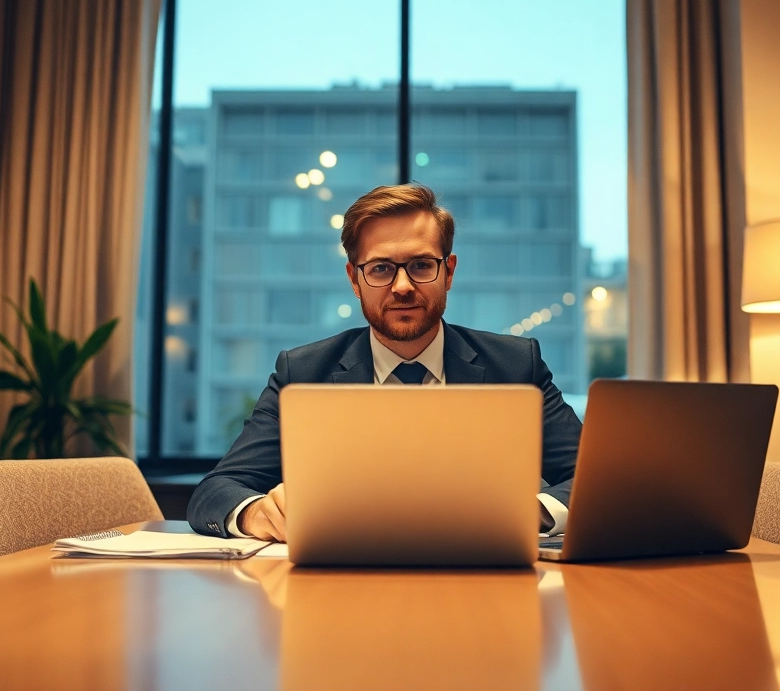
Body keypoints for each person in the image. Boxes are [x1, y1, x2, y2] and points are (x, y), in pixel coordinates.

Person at [187, 183, 582, 540]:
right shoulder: (303, 372)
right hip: (341, 589)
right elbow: (216, 491)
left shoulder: (515, 365)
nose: (403, 286)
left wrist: (530, 513)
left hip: (483, 582)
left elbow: (590, 478)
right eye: (380, 269)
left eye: (422, 265)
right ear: (354, 281)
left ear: (449, 272)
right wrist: (257, 513)